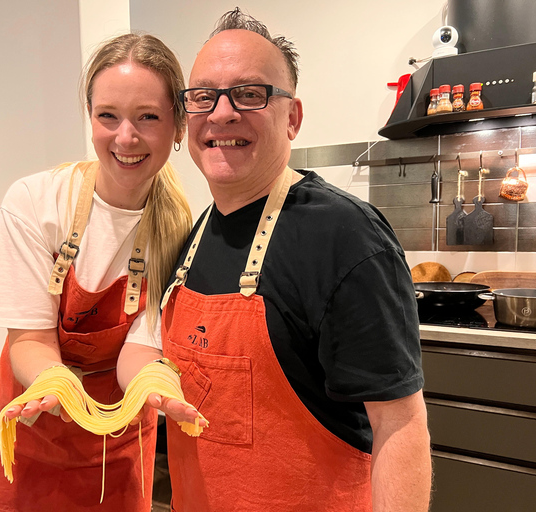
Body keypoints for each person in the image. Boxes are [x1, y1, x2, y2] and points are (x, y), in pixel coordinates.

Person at [160, 9, 431, 512]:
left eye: (249, 94)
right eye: (203, 97)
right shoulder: (194, 235)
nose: (222, 114)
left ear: (293, 118)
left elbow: (400, 425)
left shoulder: (345, 237)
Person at [0, 33, 201, 512]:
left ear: (179, 127)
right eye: (108, 116)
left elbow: (138, 348)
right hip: (26, 446)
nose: (126, 137)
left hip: (113, 458)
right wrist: (57, 386)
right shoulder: (36, 202)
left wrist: (157, 385)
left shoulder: (181, 227)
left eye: (148, 117)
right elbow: (30, 340)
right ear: (90, 118)